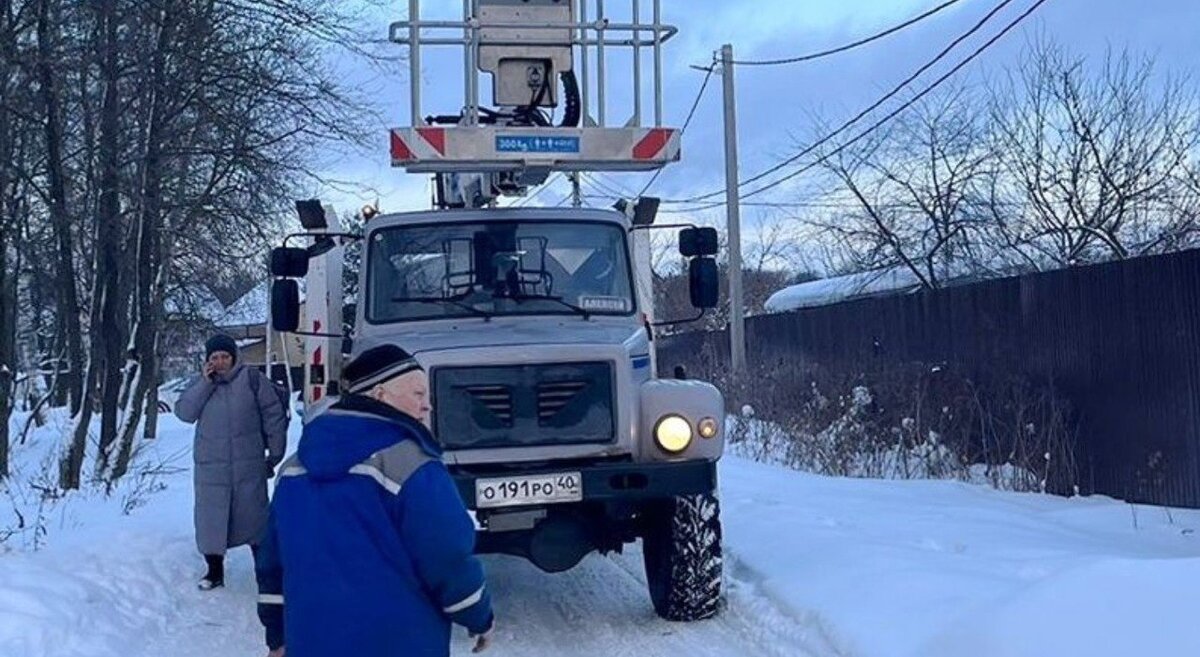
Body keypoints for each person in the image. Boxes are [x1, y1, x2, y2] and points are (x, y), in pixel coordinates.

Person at [255, 344, 495, 657]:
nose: (428, 407)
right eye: (419, 395)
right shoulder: (411, 465)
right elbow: (448, 554)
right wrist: (478, 616)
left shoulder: (293, 470)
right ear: (380, 395)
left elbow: (272, 565)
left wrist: (277, 635)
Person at [175, 333, 288, 590]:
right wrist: (205, 383)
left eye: (225, 356)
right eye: (215, 357)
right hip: (211, 468)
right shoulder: (200, 385)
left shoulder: (252, 380)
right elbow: (184, 413)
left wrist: (276, 452)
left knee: (255, 520)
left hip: (248, 464)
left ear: (234, 357)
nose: (221, 362)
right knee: (211, 522)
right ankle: (214, 572)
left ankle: (265, 571)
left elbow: (273, 415)